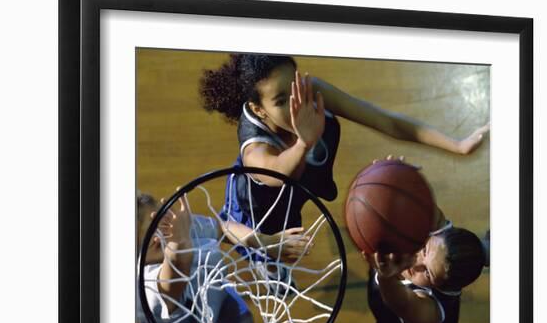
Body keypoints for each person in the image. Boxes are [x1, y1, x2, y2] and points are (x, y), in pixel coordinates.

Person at [199, 54, 490, 237]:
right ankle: (269, 269)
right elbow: (277, 171)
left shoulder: (310, 92)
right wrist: (304, 142)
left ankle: (316, 180)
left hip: (305, 178)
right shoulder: (255, 150)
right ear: (259, 110)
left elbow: (385, 121)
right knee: (272, 249)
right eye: (279, 100)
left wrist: (458, 145)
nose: (296, 103)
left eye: (296, 86)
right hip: (263, 209)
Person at [136, 192, 311, 323]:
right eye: (152, 242)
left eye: (161, 223)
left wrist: (267, 242)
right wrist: (178, 243)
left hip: (214, 298)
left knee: (241, 322)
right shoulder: (145, 284)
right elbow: (173, 278)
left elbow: (222, 227)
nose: (161, 236)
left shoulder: (173, 230)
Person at [365, 224, 487, 323]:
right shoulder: (431, 237)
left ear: (442, 287)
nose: (416, 263)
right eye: (424, 250)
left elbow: (402, 303)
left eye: (428, 273)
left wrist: (385, 274)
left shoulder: (431, 313)